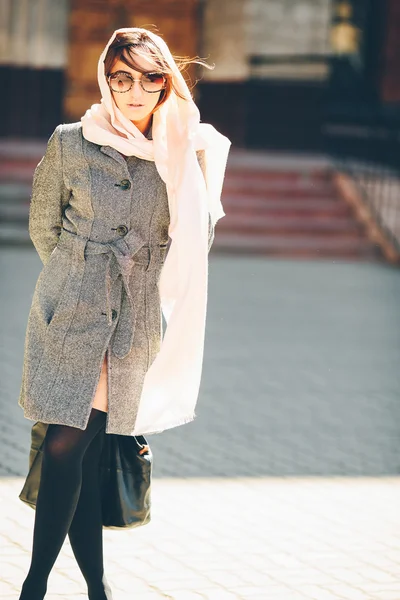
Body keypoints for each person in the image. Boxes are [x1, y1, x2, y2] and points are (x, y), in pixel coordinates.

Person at [17, 27, 230, 600]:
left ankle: (75, 585)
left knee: (78, 446)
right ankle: (54, 585)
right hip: (70, 314)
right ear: (106, 81)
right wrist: (78, 272)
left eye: (149, 79)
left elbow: (195, 236)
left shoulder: (187, 150)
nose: (135, 93)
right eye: (122, 79)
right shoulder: (70, 140)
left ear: (167, 83)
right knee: (70, 445)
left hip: (133, 323)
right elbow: (44, 225)